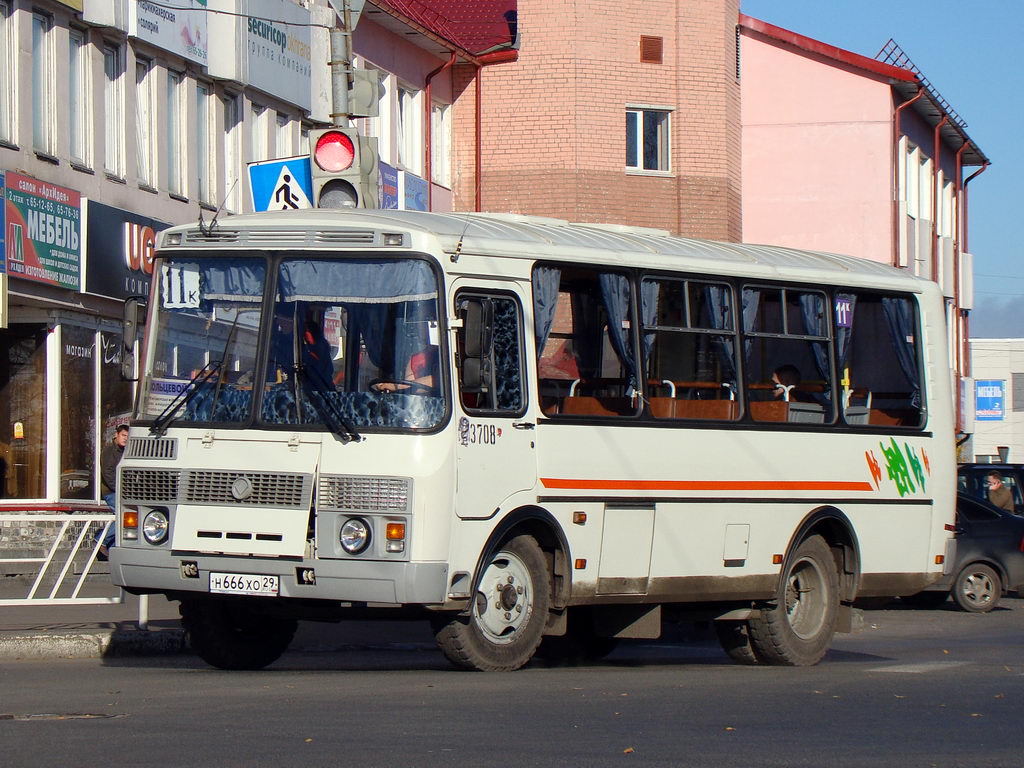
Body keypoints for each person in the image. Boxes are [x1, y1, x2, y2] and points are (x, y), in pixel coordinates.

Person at [96, 424, 129, 559]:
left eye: (128, 436)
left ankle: (111, 548)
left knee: (127, 518)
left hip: (124, 492)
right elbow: (108, 473)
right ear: (116, 435)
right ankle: (100, 540)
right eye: (123, 435)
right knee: (123, 516)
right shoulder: (109, 451)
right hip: (111, 491)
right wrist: (118, 489)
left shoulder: (126, 451)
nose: (125, 439)